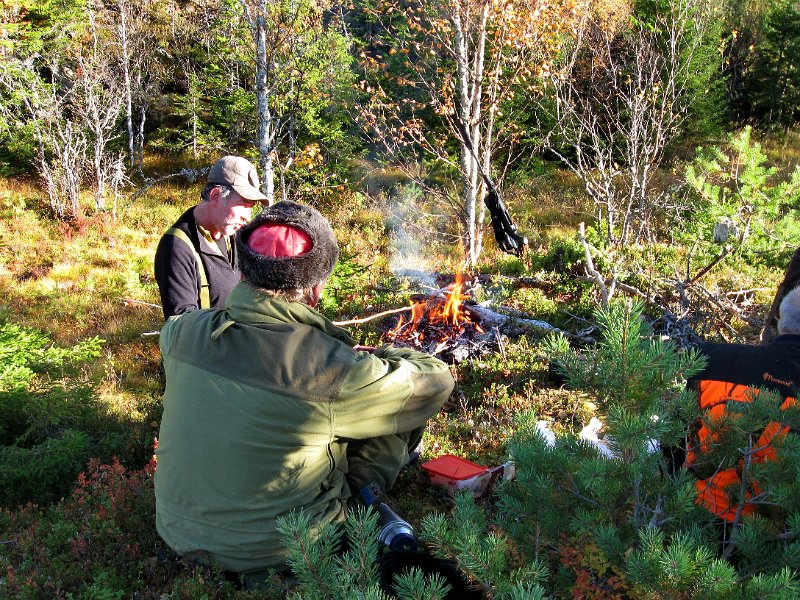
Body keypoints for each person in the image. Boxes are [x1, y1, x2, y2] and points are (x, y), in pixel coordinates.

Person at [154, 200, 455, 585]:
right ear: (314, 290)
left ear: (243, 272)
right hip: (280, 555)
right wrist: (380, 356)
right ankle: (364, 499)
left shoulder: (181, 333)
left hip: (179, 534)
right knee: (392, 410)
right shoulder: (328, 368)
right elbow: (436, 380)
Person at [685, 285, 800, 523]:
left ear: (779, 319)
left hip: (689, 511)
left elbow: (675, 439)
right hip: (771, 539)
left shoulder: (711, 356)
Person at [154, 155, 267, 319]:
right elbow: (182, 327)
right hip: (210, 344)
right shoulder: (177, 248)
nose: (247, 217)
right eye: (243, 205)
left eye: (251, 207)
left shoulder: (236, 235)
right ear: (215, 196)